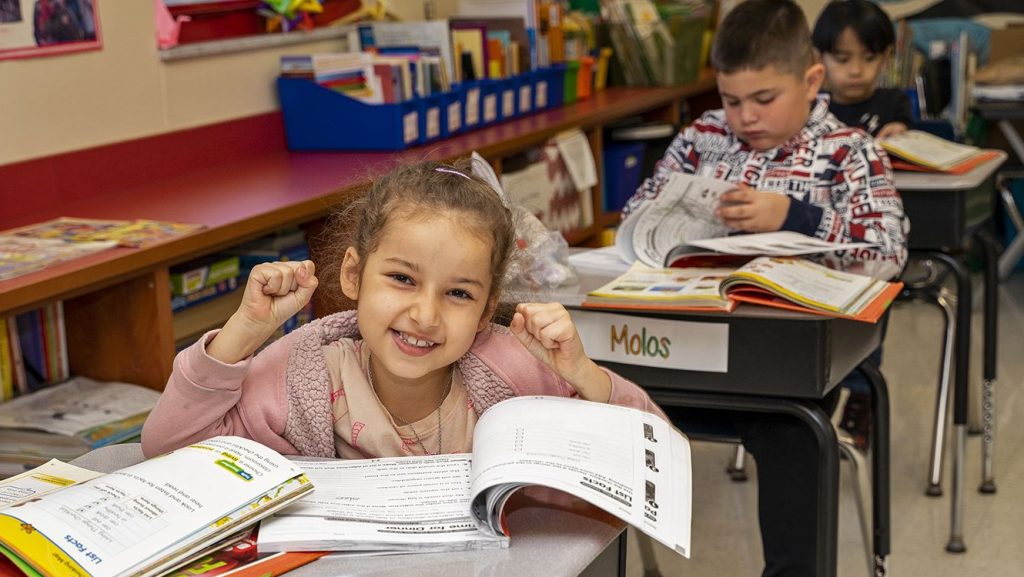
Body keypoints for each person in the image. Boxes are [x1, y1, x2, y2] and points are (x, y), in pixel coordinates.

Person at [622, 1, 907, 576]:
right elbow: (637, 214)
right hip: (688, 337)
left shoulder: (849, 154)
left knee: (791, 429)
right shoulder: (704, 139)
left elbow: (887, 251)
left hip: (784, 360)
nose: (745, 117)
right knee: (594, 402)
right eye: (731, 101)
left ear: (811, 80)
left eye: (764, 100)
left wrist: (796, 216)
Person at [141, 160, 665, 461]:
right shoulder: (302, 373)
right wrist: (245, 329)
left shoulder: (517, 372)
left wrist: (580, 373)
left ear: (486, 312)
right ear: (353, 276)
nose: (424, 314)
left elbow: (654, 451)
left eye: (459, 294)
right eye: (402, 279)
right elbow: (169, 447)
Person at [812, 0, 914, 139]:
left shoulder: (895, 103)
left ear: (885, 57)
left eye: (869, 58)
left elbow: (908, 137)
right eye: (843, 59)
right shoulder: (811, 106)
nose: (856, 71)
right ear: (820, 58)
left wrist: (901, 132)